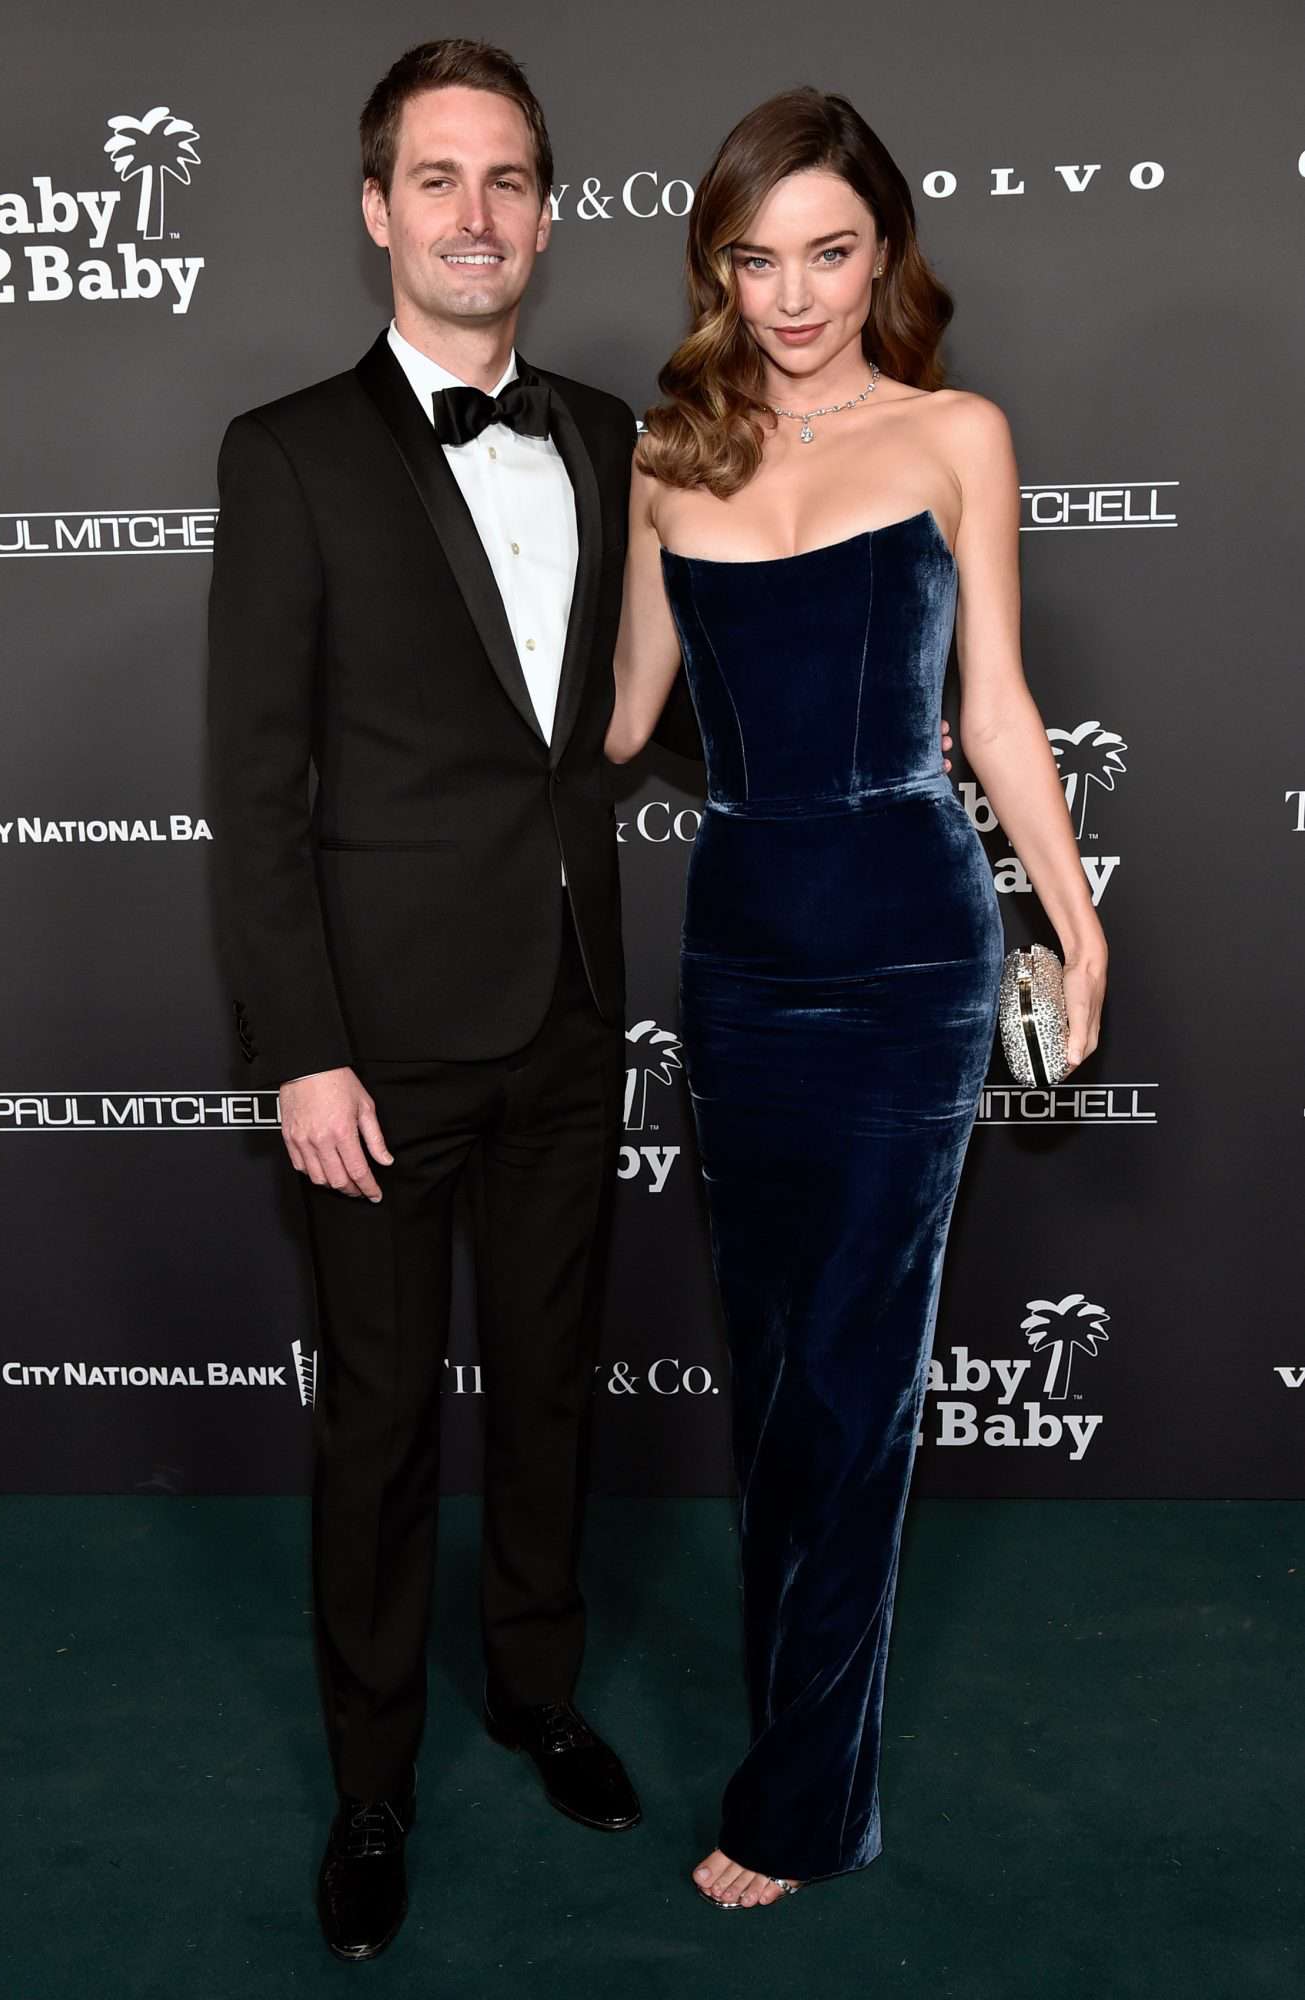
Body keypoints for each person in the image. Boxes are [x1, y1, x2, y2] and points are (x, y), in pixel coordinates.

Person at [606, 86, 1107, 1910]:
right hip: (739, 947)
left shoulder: (955, 432)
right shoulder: (671, 458)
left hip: (909, 937)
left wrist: (1072, 914)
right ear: (717, 266)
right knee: (773, 1380)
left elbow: (991, 709)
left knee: (856, 1377)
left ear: (881, 250)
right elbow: (617, 722)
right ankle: (788, 1736)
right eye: (757, 259)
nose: (794, 295)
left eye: (827, 253)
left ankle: (805, 1799)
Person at [206, 38, 651, 1965]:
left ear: (546, 213)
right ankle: (372, 1776)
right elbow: (252, 784)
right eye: (440, 180)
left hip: (569, 1012)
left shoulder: (623, 434)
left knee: (549, 1393)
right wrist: (299, 1045)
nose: (480, 217)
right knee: (379, 1424)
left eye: (511, 181)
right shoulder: (288, 448)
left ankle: (535, 1689)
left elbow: (637, 714)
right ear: (378, 208)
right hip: (372, 1050)